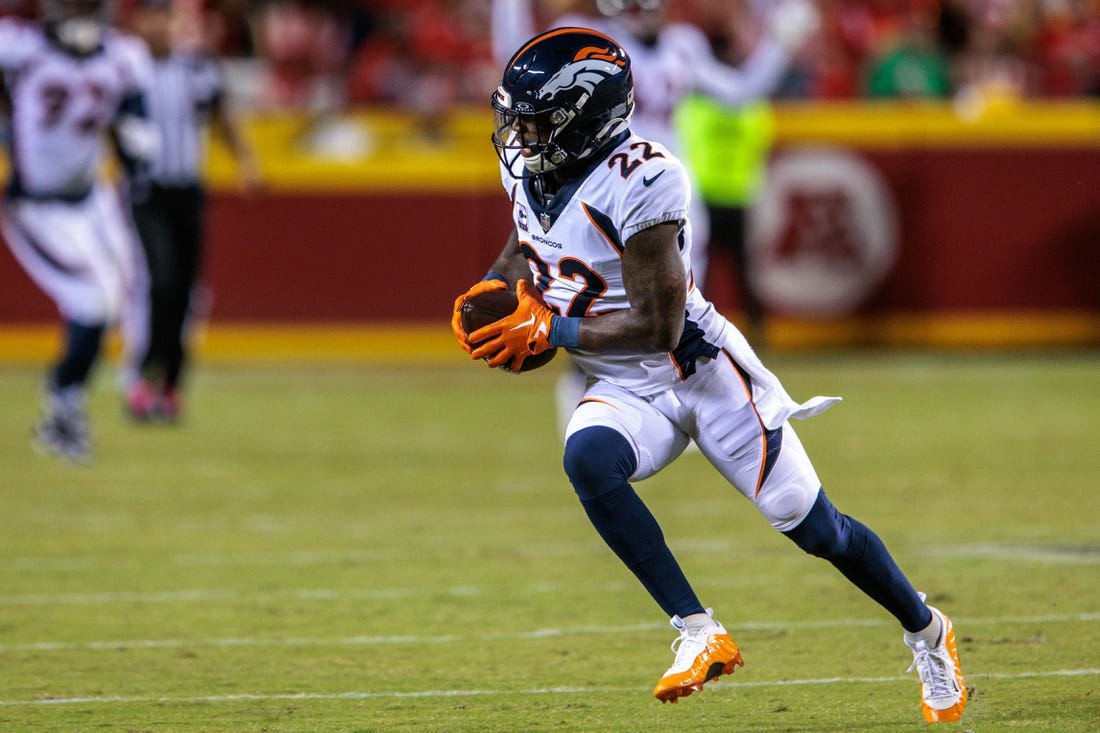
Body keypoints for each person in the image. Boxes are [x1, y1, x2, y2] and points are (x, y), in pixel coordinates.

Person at [451, 28, 967, 722]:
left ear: (586, 117)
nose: (520, 134)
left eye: (538, 120)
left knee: (818, 530)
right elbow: (527, 239)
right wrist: (489, 292)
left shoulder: (645, 177)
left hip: (698, 373)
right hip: (627, 386)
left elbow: (658, 326)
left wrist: (555, 329)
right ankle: (699, 631)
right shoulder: (529, 169)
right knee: (588, 458)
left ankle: (927, 629)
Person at [490, 0, 818, 433]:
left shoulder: (684, 46)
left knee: (680, 322)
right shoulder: (591, 49)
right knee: (590, 311)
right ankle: (592, 421)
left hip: (669, 199)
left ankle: (697, 421)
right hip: (600, 196)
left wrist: (780, 45)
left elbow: (740, 93)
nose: (640, 12)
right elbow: (514, 65)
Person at [0, 0, 157, 462]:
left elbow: (138, 129)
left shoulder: (124, 56)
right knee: (93, 302)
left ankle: (89, 397)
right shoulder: (21, 47)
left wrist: (135, 147)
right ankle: (64, 406)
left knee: (121, 294)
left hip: (92, 199)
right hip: (36, 205)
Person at [122, 0, 259, 422]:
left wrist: (247, 161)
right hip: (147, 191)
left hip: (188, 190)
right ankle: (144, 374)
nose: (161, 27)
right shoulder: (126, 70)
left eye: (167, 18)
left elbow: (222, 115)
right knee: (160, 283)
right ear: (141, 24)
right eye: (154, 18)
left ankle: (170, 386)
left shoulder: (196, 68)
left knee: (185, 292)